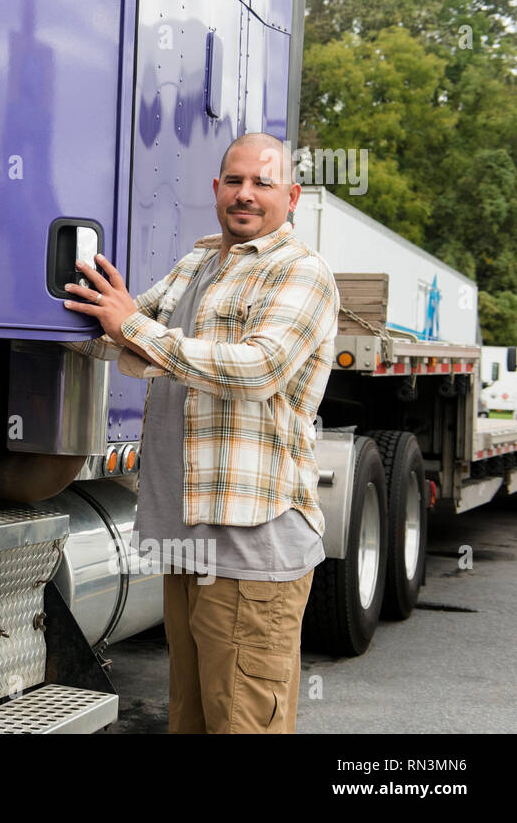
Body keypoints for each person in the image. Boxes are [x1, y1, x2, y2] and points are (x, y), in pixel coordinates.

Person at [63, 132, 339, 733]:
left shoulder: (301, 272)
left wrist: (132, 325)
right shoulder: (198, 262)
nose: (246, 195)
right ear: (216, 189)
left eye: (262, 184)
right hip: (187, 535)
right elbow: (130, 338)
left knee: (242, 720)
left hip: (250, 541)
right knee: (192, 716)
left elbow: (257, 368)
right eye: (234, 181)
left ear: (290, 196)